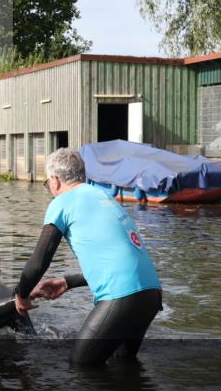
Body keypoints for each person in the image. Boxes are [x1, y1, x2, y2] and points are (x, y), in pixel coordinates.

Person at [14, 148, 162, 366]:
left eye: (47, 184)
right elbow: (119, 260)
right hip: (151, 294)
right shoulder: (105, 197)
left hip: (122, 296)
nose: (50, 190)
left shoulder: (62, 203)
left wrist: (21, 294)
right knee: (124, 367)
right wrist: (68, 282)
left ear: (55, 181)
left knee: (81, 366)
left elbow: (38, 263)